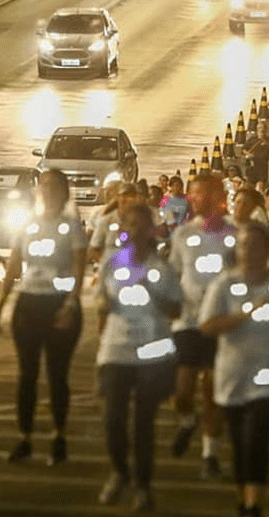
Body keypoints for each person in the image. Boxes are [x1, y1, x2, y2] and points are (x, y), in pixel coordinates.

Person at [199, 221, 269, 517]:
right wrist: (245, 314)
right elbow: (208, 325)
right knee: (240, 443)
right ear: (237, 249)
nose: (251, 250)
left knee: (256, 437)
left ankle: (253, 506)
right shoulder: (223, 284)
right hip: (234, 376)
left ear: (268, 250)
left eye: (257, 245)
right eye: (245, 244)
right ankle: (244, 500)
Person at [0, 170, 87, 464]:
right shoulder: (28, 226)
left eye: (54, 186)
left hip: (59, 305)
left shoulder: (71, 228)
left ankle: (59, 436)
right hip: (29, 304)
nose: (47, 191)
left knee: (57, 375)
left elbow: (79, 270)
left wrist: (70, 304)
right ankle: (25, 438)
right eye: (43, 186)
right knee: (27, 375)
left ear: (64, 192)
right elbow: (12, 269)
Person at [96, 204, 182, 511]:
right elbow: (102, 304)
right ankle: (120, 471)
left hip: (151, 350)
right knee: (113, 419)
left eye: (143, 226)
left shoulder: (162, 268)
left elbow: (176, 310)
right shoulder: (111, 262)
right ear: (124, 227)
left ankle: (143, 485)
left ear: (151, 231)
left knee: (144, 422)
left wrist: (152, 293)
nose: (136, 231)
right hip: (116, 350)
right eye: (130, 225)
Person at [168, 175, 239, 479]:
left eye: (205, 193)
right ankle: (187, 421)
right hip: (186, 320)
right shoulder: (182, 234)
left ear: (219, 196)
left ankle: (210, 453)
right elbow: (173, 273)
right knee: (182, 390)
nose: (198, 198)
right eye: (194, 193)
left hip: (219, 323)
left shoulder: (234, 235)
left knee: (212, 390)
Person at [243, 121, 269, 185]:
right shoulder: (252, 139)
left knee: (261, 185)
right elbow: (244, 149)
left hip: (264, 167)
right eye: (260, 128)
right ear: (257, 129)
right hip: (252, 165)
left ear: (266, 130)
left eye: (263, 128)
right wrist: (248, 154)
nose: (261, 130)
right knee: (251, 184)